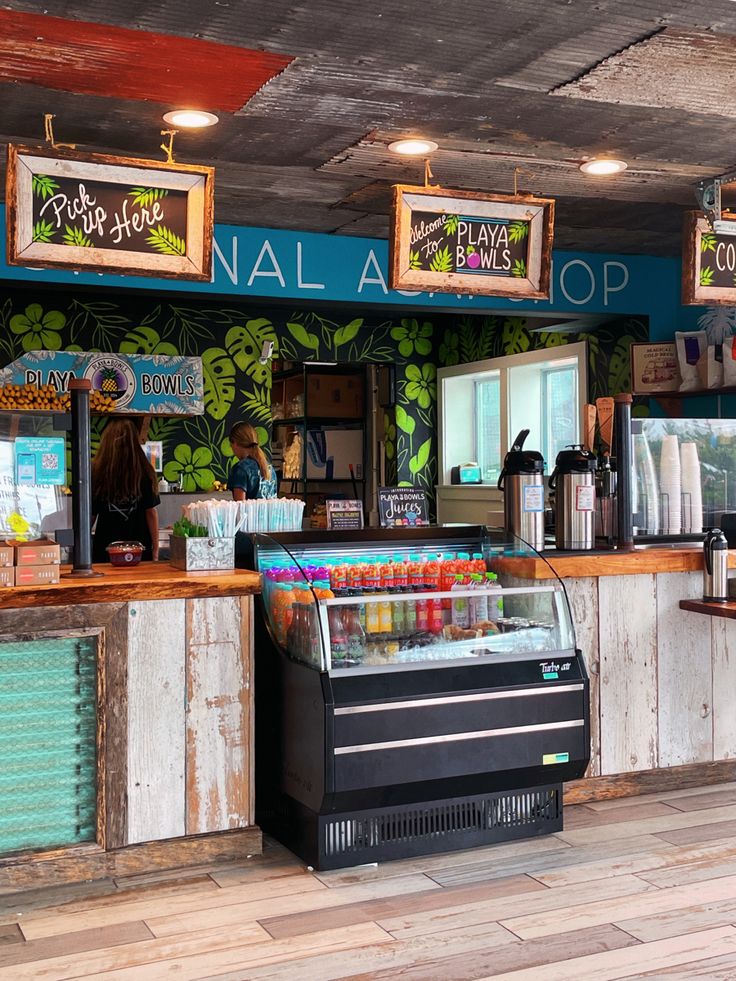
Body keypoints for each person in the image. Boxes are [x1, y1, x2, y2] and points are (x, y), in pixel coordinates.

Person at [91, 418, 160, 562]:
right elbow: (151, 513)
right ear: (134, 441)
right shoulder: (145, 470)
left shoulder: (96, 471)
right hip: (139, 550)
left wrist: (80, 546)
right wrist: (155, 548)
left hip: (106, 549)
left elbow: (90, 515)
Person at [227, 422, 277, 501]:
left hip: (249, 513)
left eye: (231, 445)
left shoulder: (241, 469)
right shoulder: (270, 469)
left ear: (235, 443)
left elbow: (240, 505)